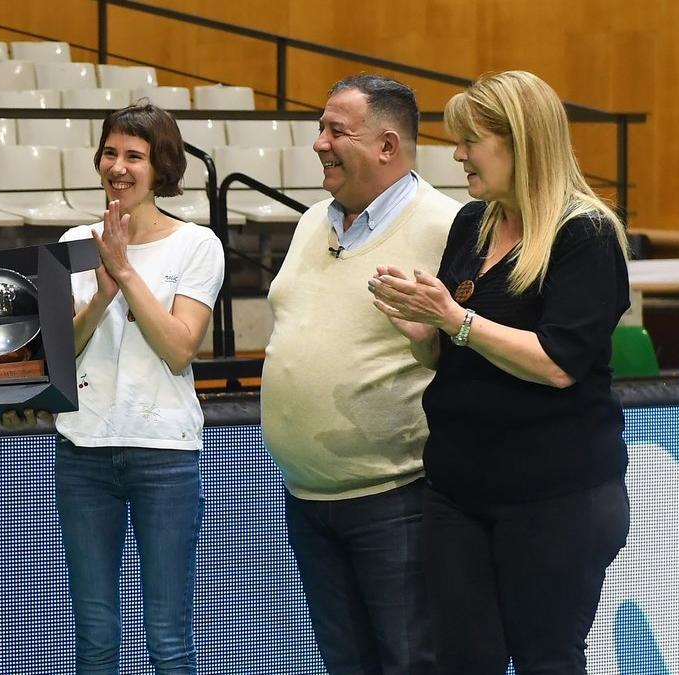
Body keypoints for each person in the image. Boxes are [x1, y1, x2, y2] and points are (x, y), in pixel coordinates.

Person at [368, 70, 630, 674]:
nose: (457, 154)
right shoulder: (473, 222)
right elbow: (452, 351)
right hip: (458, 490)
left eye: (470, 140)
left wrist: (455, 321)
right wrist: (423, 332)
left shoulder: (585, 234)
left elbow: (561, 363)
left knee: (545, 658)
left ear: (521, 142)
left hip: (556, 496)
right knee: (463, 659)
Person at [259, 74, 460, 675]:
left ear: (387, 146)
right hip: (308, 496)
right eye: (320, 128)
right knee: (346, 664)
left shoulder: (450, 227)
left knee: (409, 662)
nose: (319, 142)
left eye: (335, 130)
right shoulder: (311, 221)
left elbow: (470, 351)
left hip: (397, 498)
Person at [51, 103, 224, 675]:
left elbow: (179, 346)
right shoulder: (76, 241)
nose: (118, 167)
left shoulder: (198, 245)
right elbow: (61, 352)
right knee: (95, 636)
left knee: (168, 638)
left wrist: (123, 273)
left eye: (135, 156)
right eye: (110, 153)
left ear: (161, 166)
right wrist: (99, 296)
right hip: (84, 455)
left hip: (165, 457)